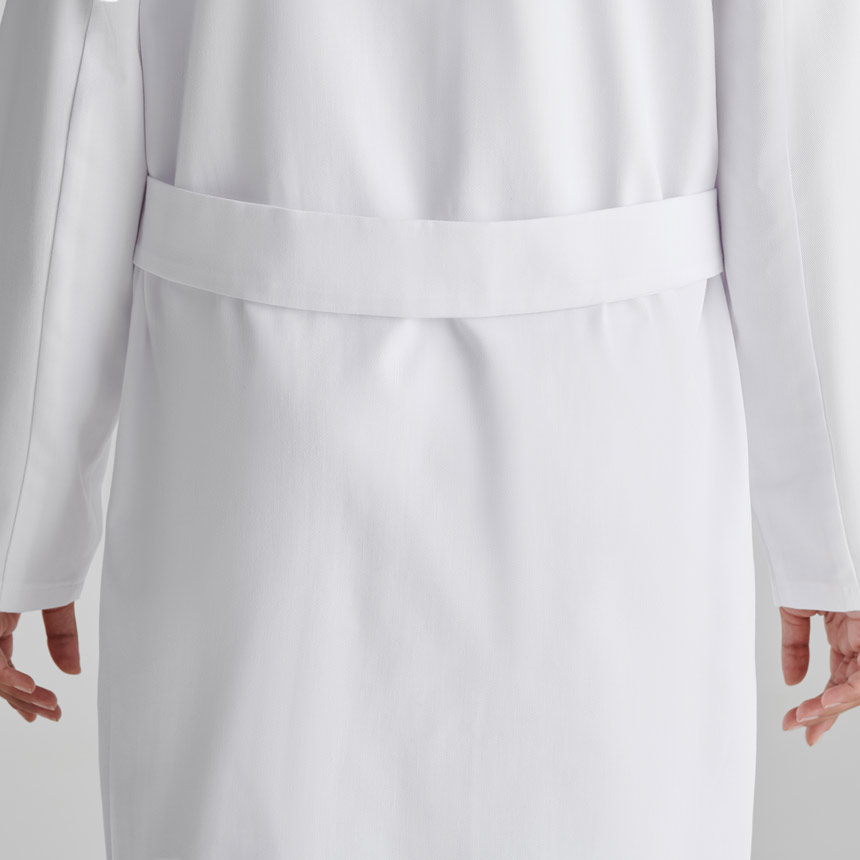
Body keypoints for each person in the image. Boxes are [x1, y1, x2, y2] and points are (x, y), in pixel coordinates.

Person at [1, 1, 859, 858]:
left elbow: (79, 65)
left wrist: (18, 523)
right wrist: (838, 536)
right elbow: (790, 94)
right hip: (611, 429)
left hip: (263, 425)